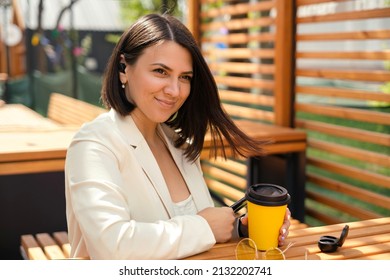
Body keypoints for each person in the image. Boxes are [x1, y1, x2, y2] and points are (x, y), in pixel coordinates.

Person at [65, 13, 291, 260]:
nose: (174, 90)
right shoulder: (93, 145)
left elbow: (188, 232)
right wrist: (204, 227)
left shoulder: (178, 142)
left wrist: (240, 228)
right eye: (161, 71)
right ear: (123, 69)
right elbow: (111, 246)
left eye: (185, 77)